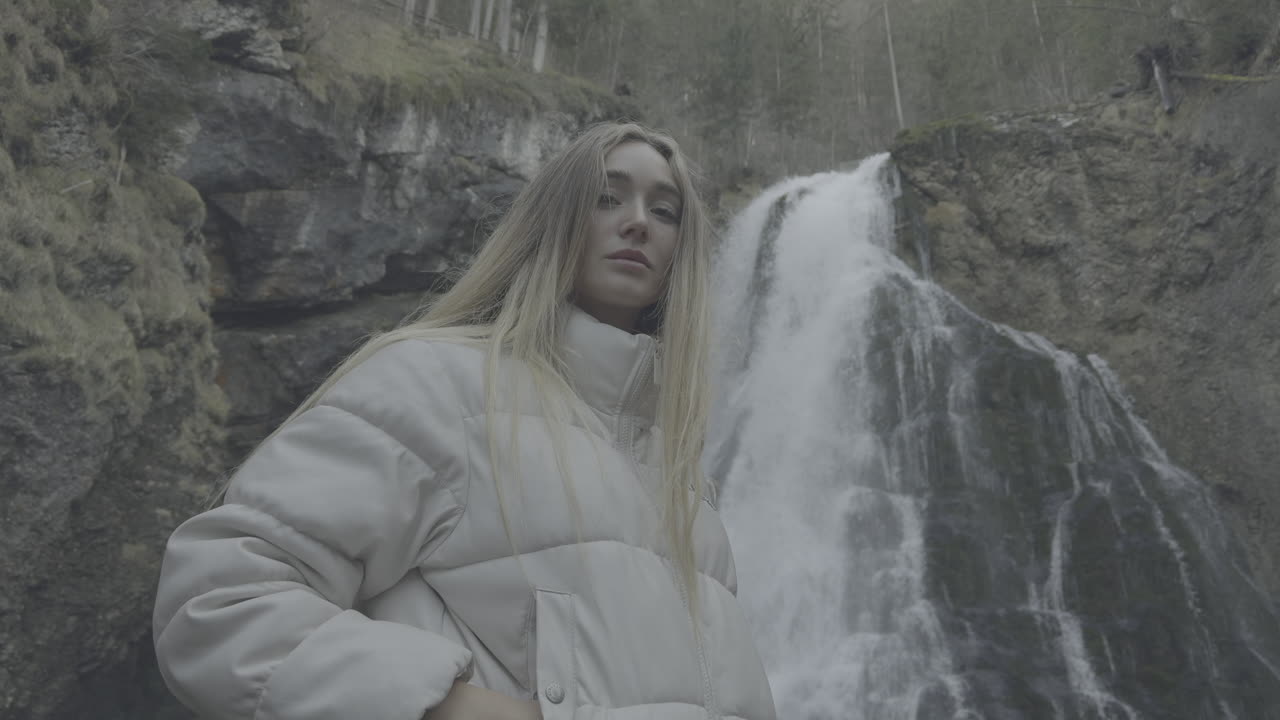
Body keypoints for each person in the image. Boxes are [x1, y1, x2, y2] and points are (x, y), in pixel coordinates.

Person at [152, 121, 778, 720]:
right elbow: (218, 599)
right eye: (607, 198)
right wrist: (448, 706)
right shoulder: (438, 383)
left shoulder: (685, 480)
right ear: (550, 221)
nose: (638, 222)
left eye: (664, 211)